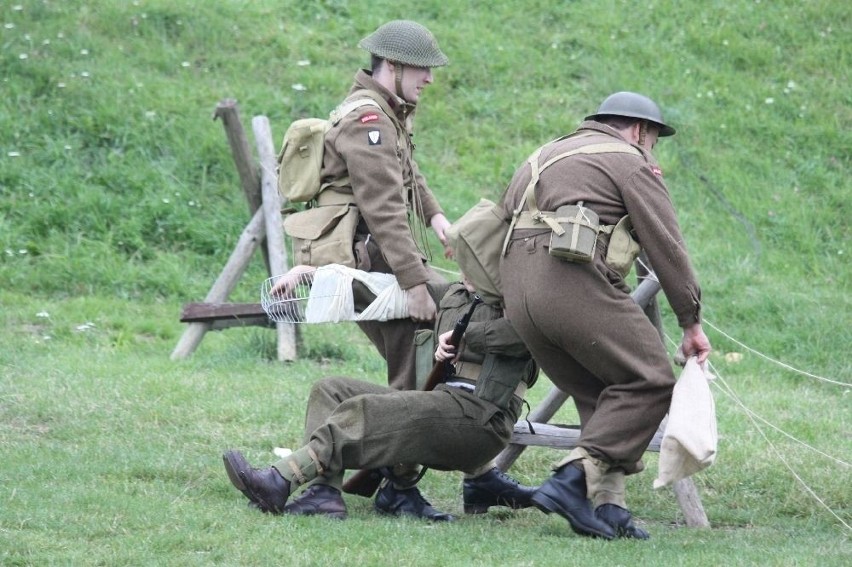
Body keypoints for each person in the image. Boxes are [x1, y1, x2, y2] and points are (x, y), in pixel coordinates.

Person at [498, 91, 712, 540]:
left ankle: (607, 507)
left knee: (602, 394)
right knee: (650, 379)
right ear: (639, 130)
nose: (651, 148)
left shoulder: (542, 155)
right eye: (653, 139)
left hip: (518, 296)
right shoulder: (631, 160)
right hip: (567, 282)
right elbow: (666, 246)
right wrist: (690, 321)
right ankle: (571, 479)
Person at [223, 276, 539, 521]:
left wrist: (464, 337)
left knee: (368, 409)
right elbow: (383, 288)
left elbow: (530, 331)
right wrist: (313, 274)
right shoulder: (454, 294)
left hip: (481, 420)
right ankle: (323, 493)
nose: (466, 266)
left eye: (476, 259)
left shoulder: (522, 296)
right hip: (443, 402)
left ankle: (282, 478)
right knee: (331, 390)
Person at [319, 19, 453, 391]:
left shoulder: (386, 111)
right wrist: (415, 285)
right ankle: (397, 439)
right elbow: (383, 210)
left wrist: (436, 217)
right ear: (393, 65)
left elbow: (407, 171)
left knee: (425, 352)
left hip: (381, 254)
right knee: (416, 359)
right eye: (421, 67)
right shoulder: (369, 121)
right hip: (371, 258)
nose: (429, 78)